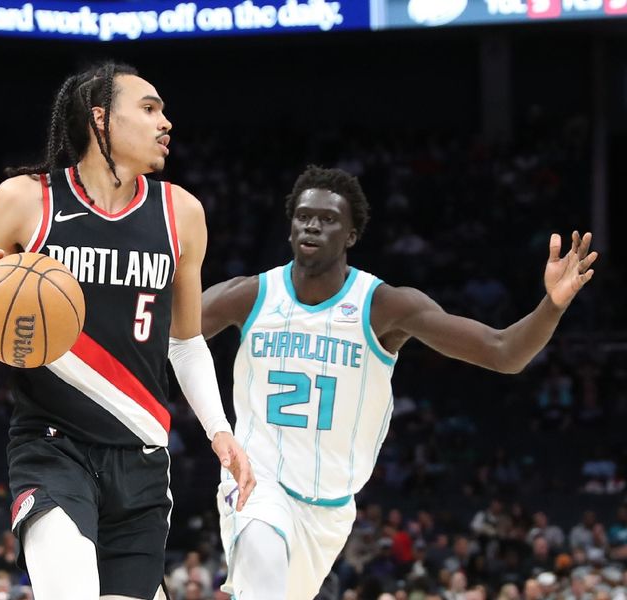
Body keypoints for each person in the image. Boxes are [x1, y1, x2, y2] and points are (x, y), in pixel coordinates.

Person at [201, 165, 597, 600]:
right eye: (303, 215)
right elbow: (159, 335)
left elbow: (504, 353)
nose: (312, 224)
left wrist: (552, 306)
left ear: (351, 235)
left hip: (330, 508)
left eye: (328, 218)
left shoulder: (383, 307)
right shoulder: (251, 295)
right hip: (256, 480)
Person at [0, 61, 255, 600]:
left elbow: (184, 342)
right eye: (149, 108)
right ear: (100, 120)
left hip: (142, 454)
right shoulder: (25, 200)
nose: (166, 122)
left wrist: (220, 431)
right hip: (52, 445)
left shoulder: (181, 213)